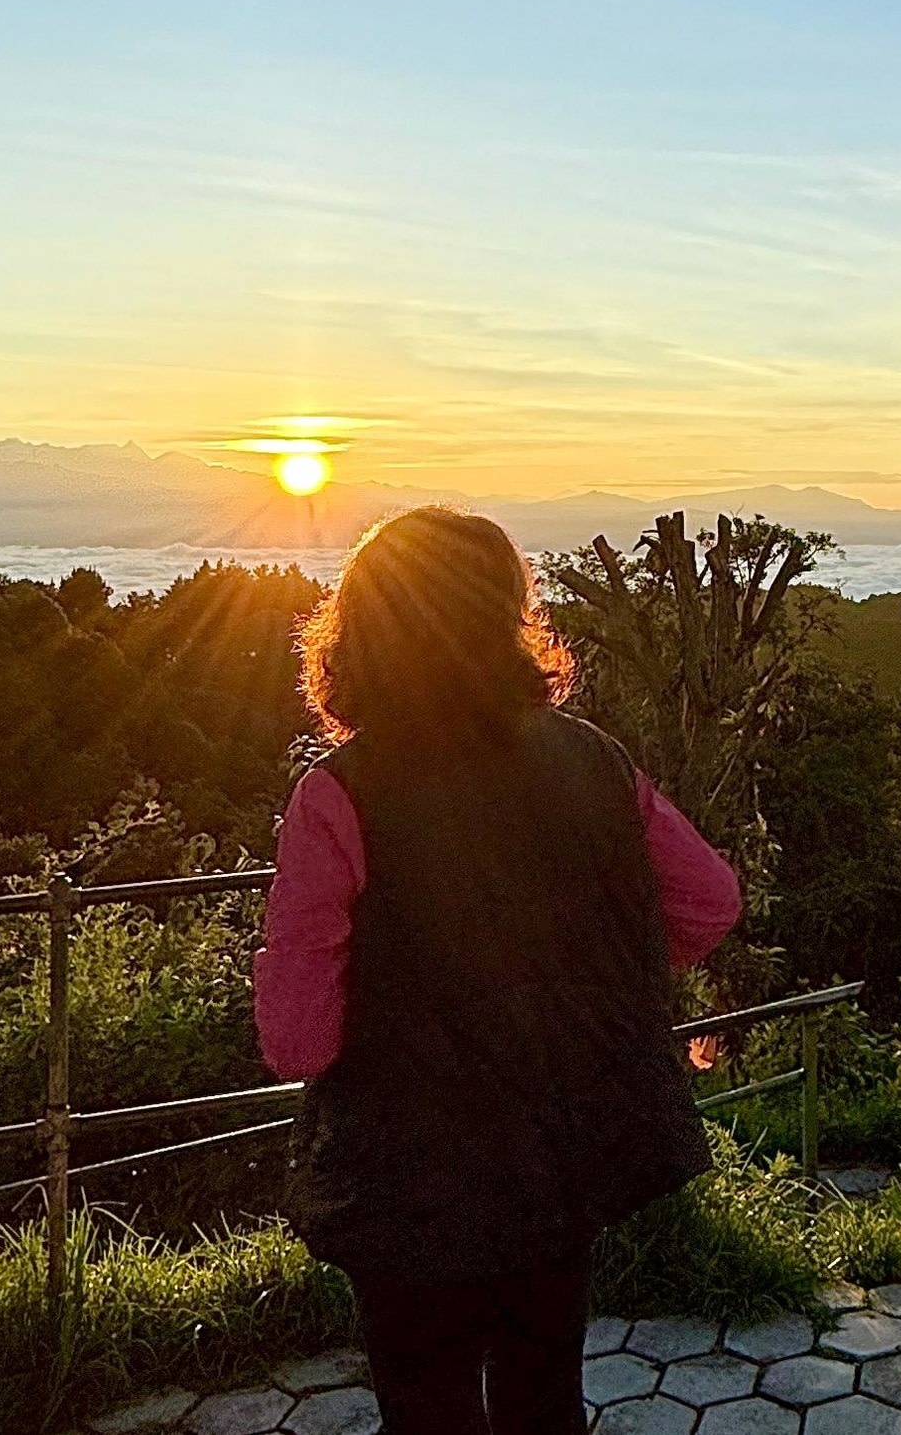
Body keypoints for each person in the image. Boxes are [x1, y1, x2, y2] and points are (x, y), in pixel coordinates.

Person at [253, 506, 742, 1435]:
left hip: (407, 1185)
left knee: (426, 1408)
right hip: (560, 1159)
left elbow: (297, 1038)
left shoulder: (337, 798)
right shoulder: (595, 761)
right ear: (506, 618)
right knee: (544, 1398)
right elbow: (708, 904)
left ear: (356, 632)